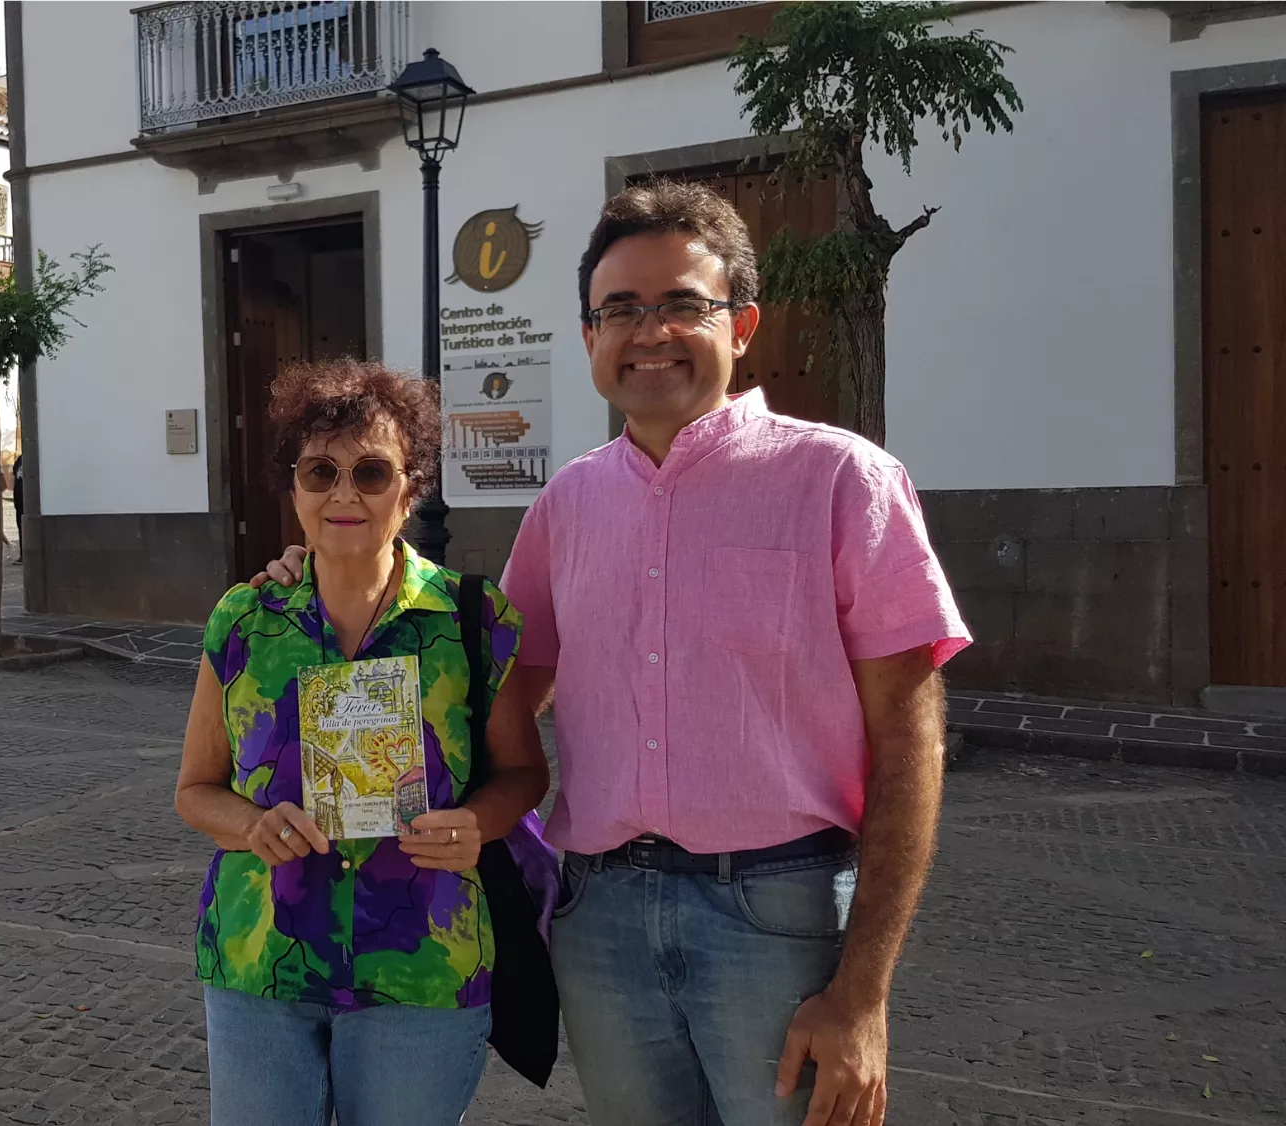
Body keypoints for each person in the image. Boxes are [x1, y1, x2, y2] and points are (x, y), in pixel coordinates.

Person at [258, 181, 969, 1126]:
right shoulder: (568, 505)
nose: (650, 332)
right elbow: (488, 684)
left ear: (743, 323)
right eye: (621, 310)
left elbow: (911, 742)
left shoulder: (841, 481)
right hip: (602, 922)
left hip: (779, 914)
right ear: (590, 335)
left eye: (682, 304)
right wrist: (336, 563)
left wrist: (865, 992)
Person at [176, 358, 551, 1126]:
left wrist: (479, 823)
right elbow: (195, 789)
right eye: (321, 471)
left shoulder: (471, 621)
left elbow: (522, 774)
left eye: (371, 472)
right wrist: (251, 825)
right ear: (295, 488)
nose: (343, 494)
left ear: (410, 487)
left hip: (420, 969)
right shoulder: (244, 620)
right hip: (262, 965)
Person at [10, 453, 25, 565]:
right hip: (19, 499)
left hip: (30, 499)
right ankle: (23, 554)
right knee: (21, 526)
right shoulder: (20, 459)